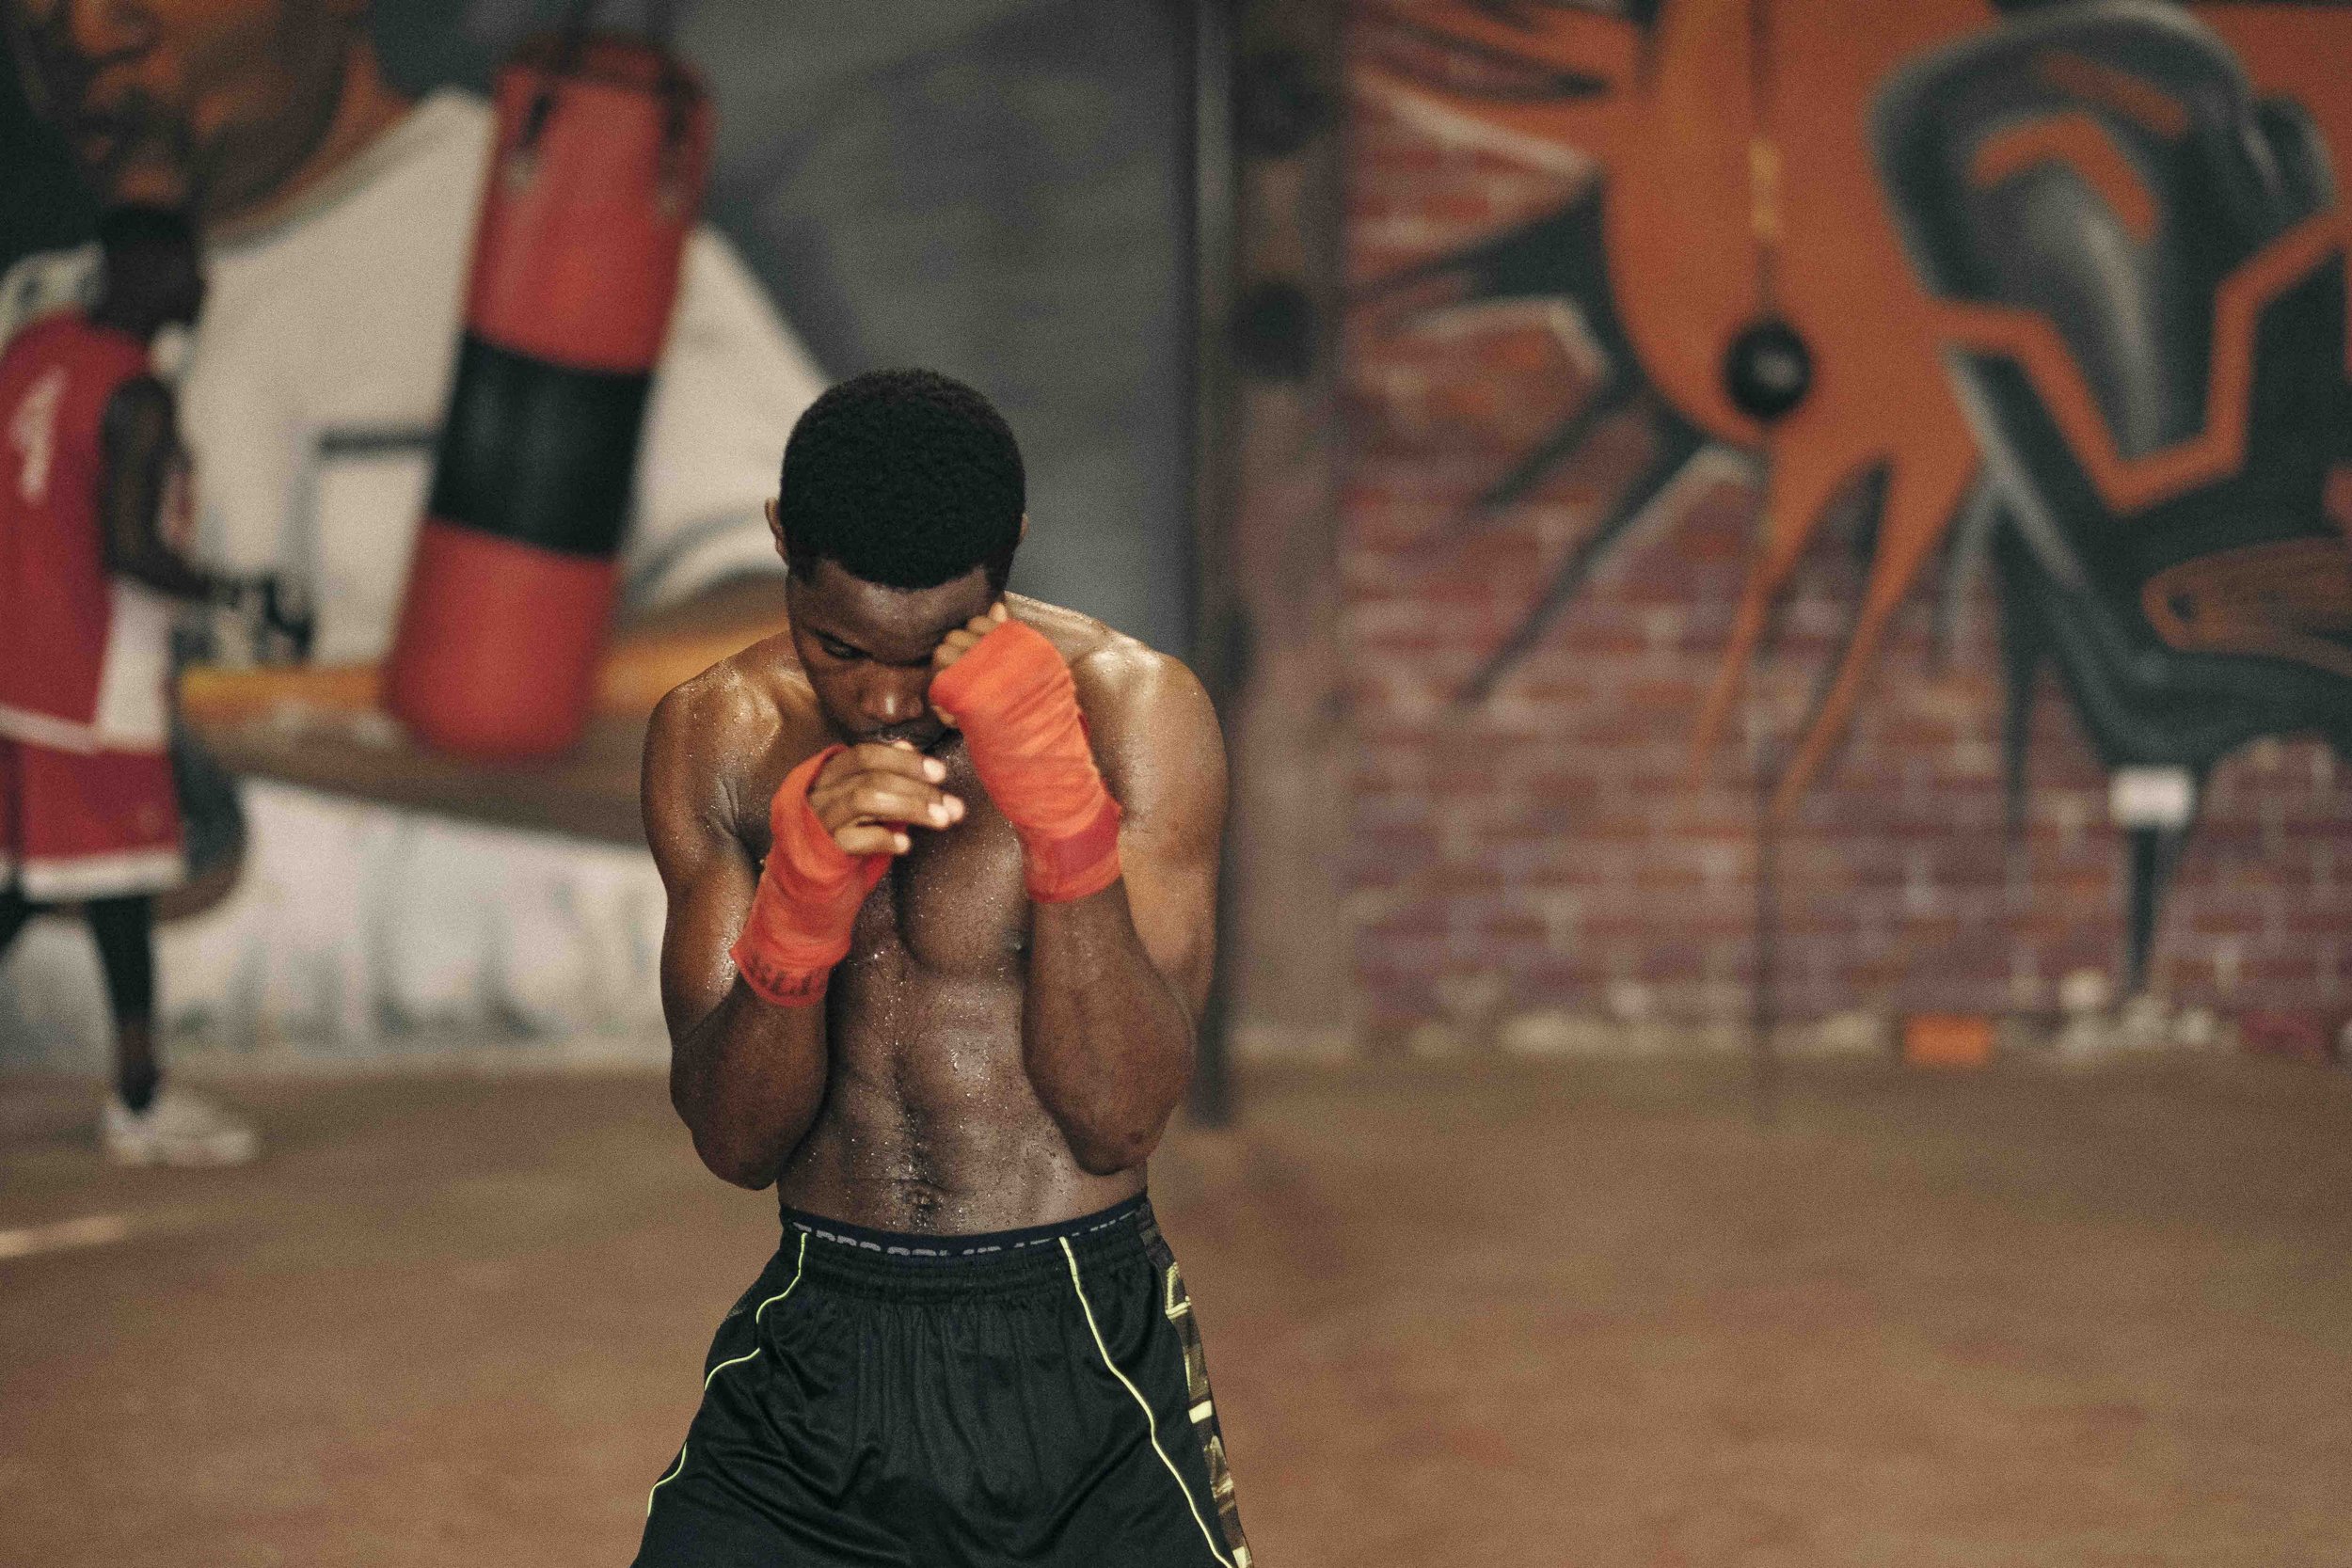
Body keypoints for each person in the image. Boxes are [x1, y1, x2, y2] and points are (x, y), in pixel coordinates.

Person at [0, 0, 823, 1045]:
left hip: (527, 1081)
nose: (81, 35)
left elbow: (811, 665)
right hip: (122, 1097)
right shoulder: (35, 332)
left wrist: (226, 722)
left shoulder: (569, 224)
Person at [636, 370, 1250, 1567]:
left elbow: (1119, 1116)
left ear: (1006, 553)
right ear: (781, 539)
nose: (884, 698)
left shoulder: (1135, 713)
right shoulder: (720, 732)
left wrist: (1064, 825)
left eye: (929, 654)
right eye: (839, 645)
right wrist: (793, 919)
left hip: (1083, 1347)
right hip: (816, 1349)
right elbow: (735, 1141)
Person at [0, 205, 273, 1163]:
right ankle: (141, 1102)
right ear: (145, 270)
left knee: (48, 882)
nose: (203, 283)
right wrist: (234, 597)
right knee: (100, 881)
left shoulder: (34, 350)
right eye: (188, 265)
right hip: (88, 679)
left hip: (15, 669)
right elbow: (130, 548)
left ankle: (141, 1089)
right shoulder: (135, 393)